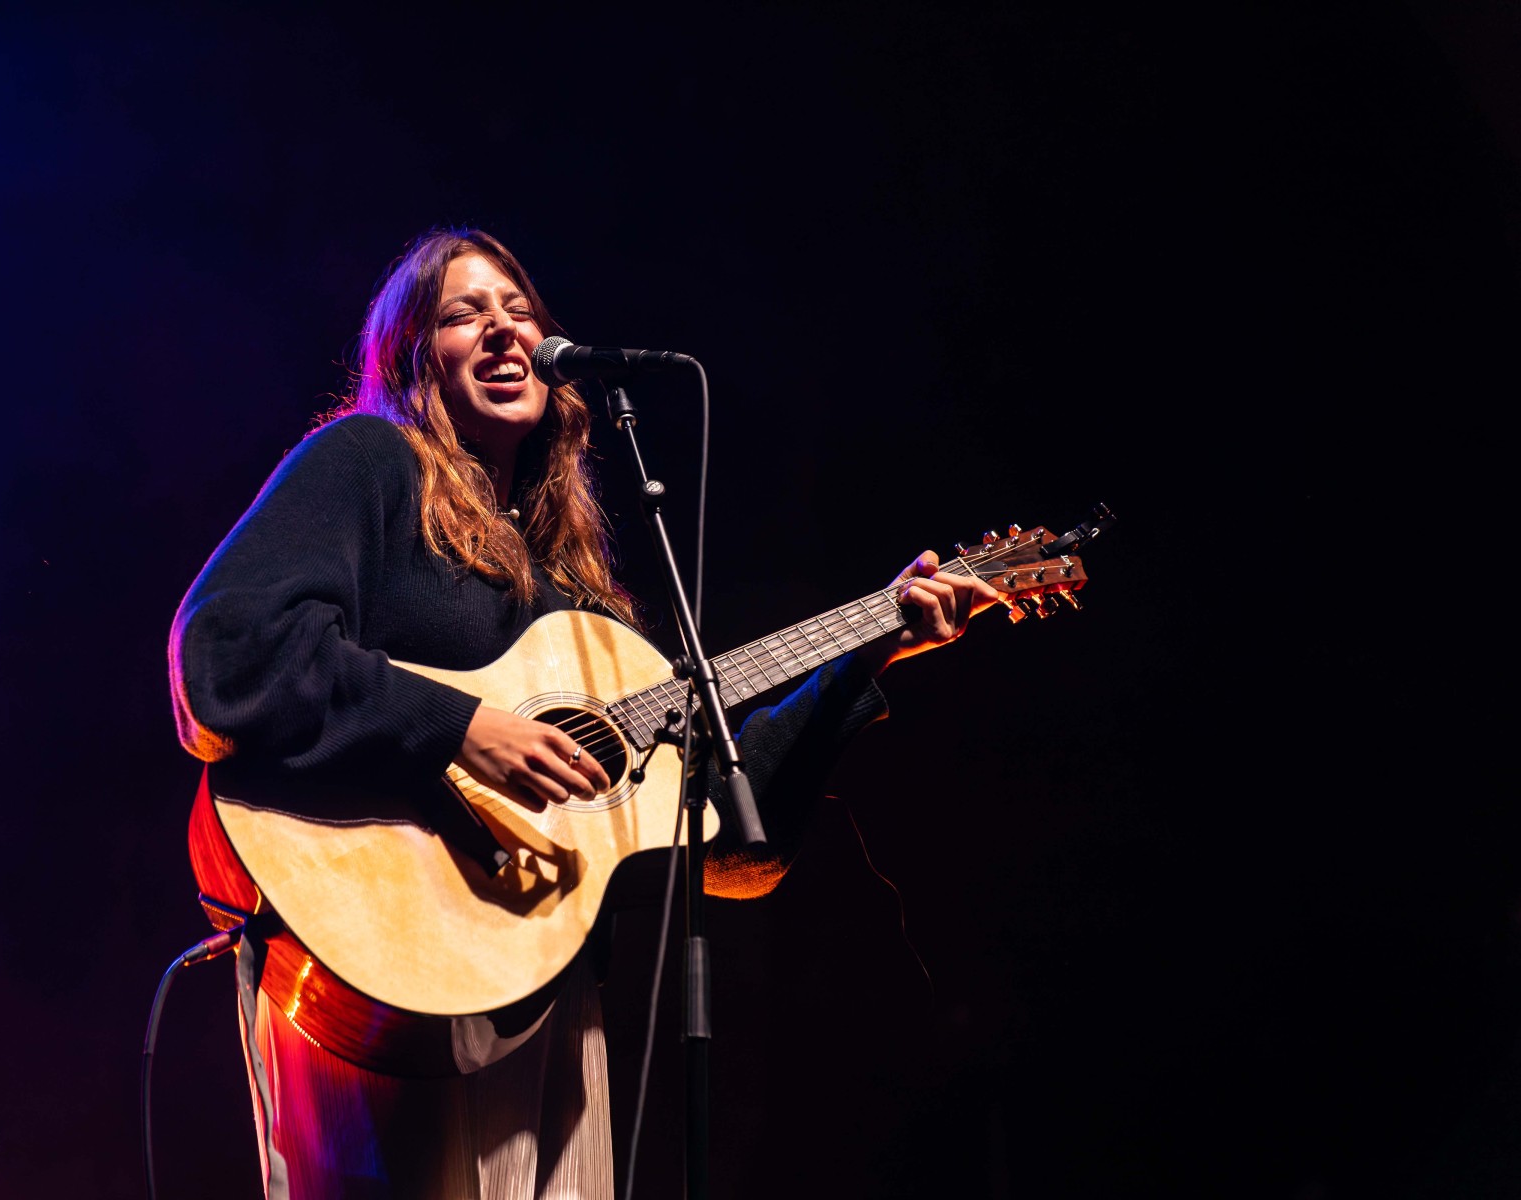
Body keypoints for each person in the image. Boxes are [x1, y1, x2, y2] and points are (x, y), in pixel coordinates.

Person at [168, 227, 1000, 1199]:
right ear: (412, 359)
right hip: (377, 962)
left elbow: (732, 843)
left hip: (545, 998)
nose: (503, 329)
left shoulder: (578, 605)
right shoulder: (366, 463)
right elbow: (225, 652)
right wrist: (463, 727)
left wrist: (872, 649)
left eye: (519, 310)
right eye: (463, 313)